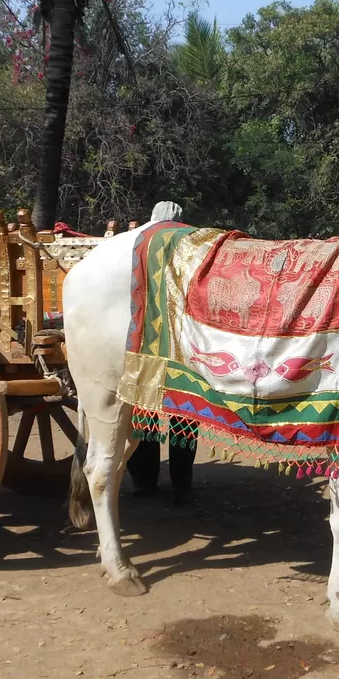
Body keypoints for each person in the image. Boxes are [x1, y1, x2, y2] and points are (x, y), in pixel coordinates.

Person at [126, 200, 198, 504]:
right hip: (182, 342)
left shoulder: (135, 244)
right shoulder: (190, 245)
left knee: (144, 409)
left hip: (144, 339)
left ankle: (144, 480)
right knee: (184, 412)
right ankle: (181, 482)